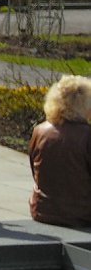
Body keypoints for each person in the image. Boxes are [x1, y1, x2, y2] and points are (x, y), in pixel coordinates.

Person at [28, 75, 91, 227]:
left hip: (42, 211)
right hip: (82, 214)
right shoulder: (87, 135)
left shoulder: (40, 131)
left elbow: (35, 170)